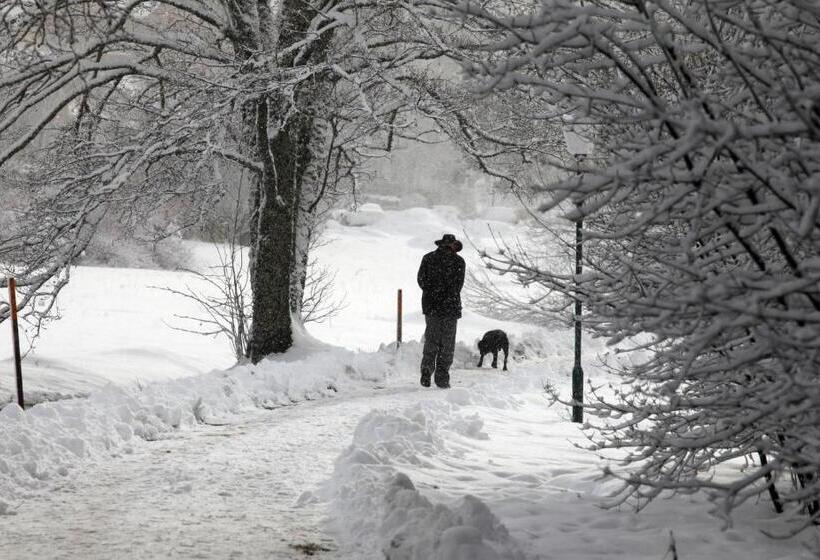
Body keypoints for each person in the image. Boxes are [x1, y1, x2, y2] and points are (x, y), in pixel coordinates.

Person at [416, 233, 465, 388]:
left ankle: (430, 371)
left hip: (436, 307)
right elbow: (458, 285)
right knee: (444, 344)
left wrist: (434, 293)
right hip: (445, 307)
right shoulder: (457, 261)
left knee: (435, 341)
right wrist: (442, 294)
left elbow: (422, 280)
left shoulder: (430, 258)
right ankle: (438, 376)